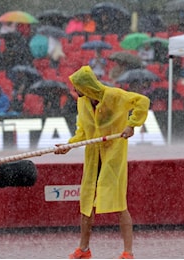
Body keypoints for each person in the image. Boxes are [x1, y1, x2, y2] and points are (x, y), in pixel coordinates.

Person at [55, 66, 150, 259]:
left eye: (77, 87)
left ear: (86, 86)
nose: (75, 91)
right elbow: (82, 131)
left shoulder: (114, 95)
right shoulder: (82, 103)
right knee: (86, 203)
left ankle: (128, 252)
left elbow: (142, 101)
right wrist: (69, 145)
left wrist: (131, 125)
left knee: (119, 203)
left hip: (112, 156)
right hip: (93, 157)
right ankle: (84, 249)